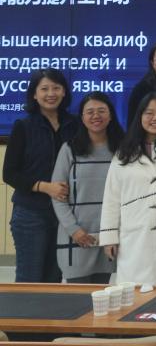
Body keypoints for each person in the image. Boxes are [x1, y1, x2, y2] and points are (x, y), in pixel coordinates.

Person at [99, 91, 156, 286]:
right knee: (135, 291)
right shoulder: (124, 151)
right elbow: (112, 196)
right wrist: (109, 236)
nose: (155, 118)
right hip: (134, 234)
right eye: (149, 113)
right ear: (139, 116)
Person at [3, 68, 78, 282]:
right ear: (34, 94)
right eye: (44, 89)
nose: (50, 93)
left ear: (64, 91)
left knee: (54, 280)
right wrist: (45, 187)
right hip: (30, 213)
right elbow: (9, 173)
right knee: (30, 279)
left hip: (64, 213)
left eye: (56, 88)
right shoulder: (23, 126)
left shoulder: (75, 125)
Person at [52, 92, 123, 283]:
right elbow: (58, 196)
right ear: (82, 117)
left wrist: (114, 232)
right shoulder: (69, 149)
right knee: (78, 296)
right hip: (76, 236)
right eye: (90, 112)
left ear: (111, 115)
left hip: (109, 236)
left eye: (101, 111)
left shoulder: (123, 149)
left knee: (102, 295)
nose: (96, 116)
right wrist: (73, 230)